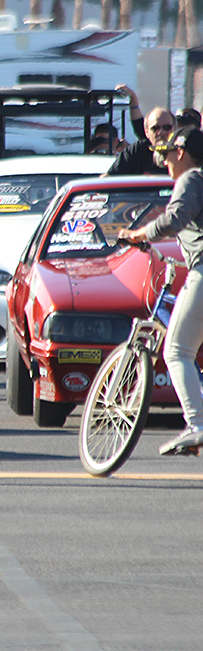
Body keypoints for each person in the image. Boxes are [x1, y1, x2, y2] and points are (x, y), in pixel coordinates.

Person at [117, 129, 203, 455]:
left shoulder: (192, 178)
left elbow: (175, 219)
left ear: (181, 152)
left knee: (176, 350)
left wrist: (139, 234)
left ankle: (196, 425)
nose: (164, 161)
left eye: (167, 154)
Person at [108, 108, 176, 176]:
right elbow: (109, 179)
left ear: (175, 129)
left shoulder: (182, 152)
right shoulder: (137, 150)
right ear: (146, 132)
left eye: (167, 127)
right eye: (155, 128)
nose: (161, 132)